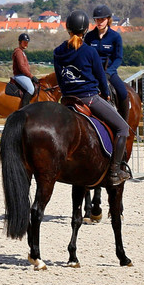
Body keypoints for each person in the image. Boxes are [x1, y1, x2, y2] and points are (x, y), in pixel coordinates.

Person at [53, 10, 131, 185]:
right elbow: (101, 79)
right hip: (88, 98)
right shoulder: (89, 51)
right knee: (122, 128)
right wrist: (106, 94)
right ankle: (115, 171)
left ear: (68, 29)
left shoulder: (58, 51)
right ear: (85, 30)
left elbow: (59, 78)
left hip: (67, 99)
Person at [85, 3, 128, 123]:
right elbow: (85, 56)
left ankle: (124, 124)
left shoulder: (115, 37)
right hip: (92, 73)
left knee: (123, 93)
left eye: (102, 19)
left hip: (109, 72)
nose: (99, 22)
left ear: (108, 20)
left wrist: (109, 72)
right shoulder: (89, 37)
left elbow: (118, 58)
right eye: (97, 19)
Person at [11, 33, 36, 108]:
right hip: (20, 75)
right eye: (24, 42)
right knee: (31, 89)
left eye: (27, 42)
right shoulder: (18, 52)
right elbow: (22, 67)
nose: (26, 44)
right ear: (20, 42)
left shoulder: (22, 52)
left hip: (24, 75)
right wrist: (31, 76)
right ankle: (24, 110)